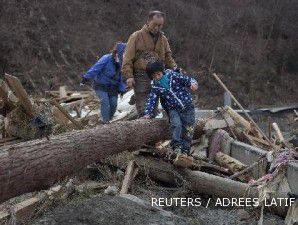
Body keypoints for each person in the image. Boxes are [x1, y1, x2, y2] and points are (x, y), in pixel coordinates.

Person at [122, 10, 177, 117]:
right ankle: (143, 124)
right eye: (155, 24)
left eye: (160, 25)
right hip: (141, 74)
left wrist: (175, 68)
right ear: (148, 21)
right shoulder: (136, 36)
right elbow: (127, 58)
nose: (157, 27)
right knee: (143, 106)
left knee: (154, 105)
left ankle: (150, 126)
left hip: (157, 75)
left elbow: (168, 56)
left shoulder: (163, 39)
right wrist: (129, 76)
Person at [143, 60, 198, 156]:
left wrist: (193, 84)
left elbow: (187, 79)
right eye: (154, 77)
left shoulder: (173, 76)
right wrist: (148, 113)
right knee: (176, 125)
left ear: (162, 71)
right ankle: (177, 146)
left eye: (158, 74)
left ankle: (185, 150)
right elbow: (152, 99)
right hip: (173, 109)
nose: (157, 78)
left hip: (187, 107)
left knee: (189, 128)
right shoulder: (156, 86)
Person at [81, 42, 127, 123]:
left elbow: (121, 77)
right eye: (123, 52)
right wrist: (86, 77)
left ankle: (108, 119)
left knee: (113, 104)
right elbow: (95, 68)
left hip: (113, 87)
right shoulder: (106, 58)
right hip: (101, 85)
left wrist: (122, 89)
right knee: (105, 102)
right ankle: (105, 121)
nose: (124, 54)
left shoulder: (123, 63)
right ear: (117, 52)